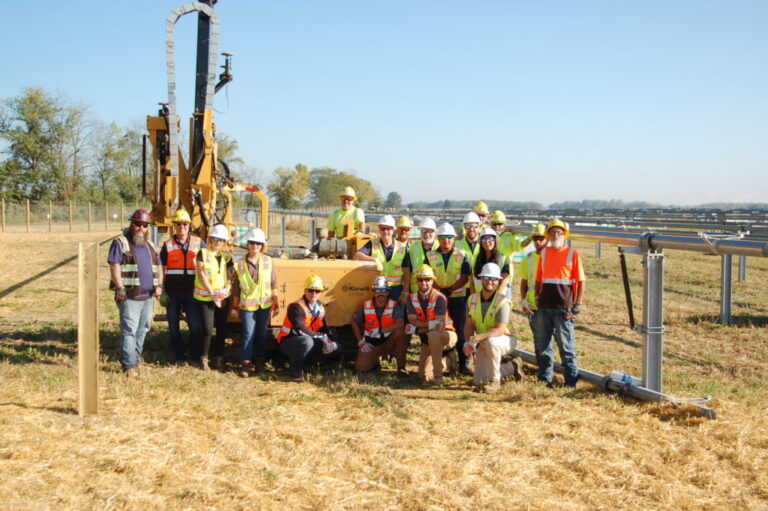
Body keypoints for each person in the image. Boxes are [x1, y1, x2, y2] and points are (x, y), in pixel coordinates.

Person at [107, 209, 162, 377]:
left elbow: (159, 266)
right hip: (130, 296)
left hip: (148, 296)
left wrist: (159, 285)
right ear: (132, 224)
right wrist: (120, 287)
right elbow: (114, 264)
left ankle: (136, 358)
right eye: (138, 224)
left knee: (143, 329)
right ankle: (129, 365)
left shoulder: (150, 245)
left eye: (145, 225)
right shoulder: (121, 243)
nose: (141, 228)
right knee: (129, 330)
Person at [534, 219, 586, 387]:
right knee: (543, 344)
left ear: (565, 236)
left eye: (559, 233)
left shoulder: (572, 253)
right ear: (548, 235)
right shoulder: (544, 253)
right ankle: (545, 378)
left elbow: (580, 281)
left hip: (564, 307)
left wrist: (577, 305)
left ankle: (571, 380)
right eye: (553, 233)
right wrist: (536, 297)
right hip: (544, 306)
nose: (556, 235)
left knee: (566, 345)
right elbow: (538, 278)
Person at [463, 263, 523, 393]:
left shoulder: (502, 302)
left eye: (494, 279)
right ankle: (512, 367)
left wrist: (476, 339)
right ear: (481, 278)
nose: (490, 281)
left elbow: (500, 330)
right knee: (478, 381)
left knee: (492, 341)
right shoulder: (472, 299)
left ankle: (495, 382)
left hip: (505, 339)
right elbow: (469, 324)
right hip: (484, 341)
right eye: (487, 278)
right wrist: (469, 342)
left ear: (498, 281)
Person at [159, 208, 204, 365]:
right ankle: (179, 356)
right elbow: (161, 268)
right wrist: (162, 289)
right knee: (173, 326)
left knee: (195, 326)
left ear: (189, 226)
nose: (181, 227)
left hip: (192, 292)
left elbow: (209, 261)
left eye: (184, 224)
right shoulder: (167, 245)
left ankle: (194, 356)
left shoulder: (198, 243)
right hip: (172, 292)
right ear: (174, 226)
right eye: (178, 224)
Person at [232, 228, 279, 377]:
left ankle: (259, 362)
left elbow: (274, 284)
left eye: (258, 243)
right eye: (252, 242)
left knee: (261, 334)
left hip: (264, 305)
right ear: (248, 244)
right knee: (248, 334)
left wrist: (276, 302)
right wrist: (234, 306)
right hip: (247, 306)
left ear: (262, 245)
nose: (255, 245)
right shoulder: (239, 263)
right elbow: (236, 288)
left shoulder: (268, 261)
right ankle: (246, 364)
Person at [428, 222, 473, 375]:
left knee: (460, 331)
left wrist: (450, 289)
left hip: (458, 299)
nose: (446, 240)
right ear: (438, 239)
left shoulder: (462, 255)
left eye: (449, 237)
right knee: (438, 327)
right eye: (442, 237)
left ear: (454, 238)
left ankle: (463, 364)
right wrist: (440, 291)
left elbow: (466, 277)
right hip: (438, 299)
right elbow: (428, 276)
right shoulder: (431, 256)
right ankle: (445, 363)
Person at [276, 274, 341, 380]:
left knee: (337, 347)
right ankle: (296, 369)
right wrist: (322, 337)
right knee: (307, 341)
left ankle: (309, 365)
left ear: (320, 293)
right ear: (305, 290)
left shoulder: (320, 307)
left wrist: (331, 342)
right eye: (311, 290)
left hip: (311, 339)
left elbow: (325, 328)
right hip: (290, 342)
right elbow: (300, 329)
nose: (314, 293)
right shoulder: (296, 307)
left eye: (317, 291)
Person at [193, 223, 234, 371]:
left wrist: (226, 290)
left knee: (221, 328)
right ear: (210, 239)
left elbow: (230, 276)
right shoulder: (202, 253)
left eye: (221, 240)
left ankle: (219, 358)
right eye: (215, 239)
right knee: (208, 329)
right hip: (206, 298)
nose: (218, 242)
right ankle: (204, 358)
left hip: (222, 297)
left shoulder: (227, 256)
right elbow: (201, 273)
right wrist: (212, 292)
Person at [407, 265, 457, 384]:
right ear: (416, 281)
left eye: (427, 279)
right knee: (422, 375)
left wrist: (418, 329)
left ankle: (438, 377)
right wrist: (425, 327)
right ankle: (446, 361)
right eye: (420, 279)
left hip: (447, 334)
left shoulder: (440, 298)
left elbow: (439, 324)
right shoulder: (411, 298)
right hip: (428, 337)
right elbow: (412, 320)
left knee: (434, 335)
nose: (423, 283)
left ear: (432, 281)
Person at [351, 276, 408, 376]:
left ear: (387, 292)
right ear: (374, 292)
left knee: (400, 332)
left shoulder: (393, 305)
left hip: (389, 342)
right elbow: (354, 322)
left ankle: (401, 367)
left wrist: (382, 331)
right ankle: (376, 362)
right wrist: (360, 341)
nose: (381, 293)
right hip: (372, 344)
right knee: (361, 369)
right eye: (378, 291)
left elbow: (400, 323)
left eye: (383, 290)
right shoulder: (365, 305)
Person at [354, 215, 411, 304]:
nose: (385, 231)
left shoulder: (402, 247)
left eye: (388, 229)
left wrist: (405, 292)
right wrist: (373, 259)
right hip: (378, 289)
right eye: (383, 229)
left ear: (393, 229)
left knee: (395, 315)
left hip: (395, 289)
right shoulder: (372, 243)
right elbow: (357, 255)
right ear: (379, 229)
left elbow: (406, 271)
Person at [519, 224, 547, 350]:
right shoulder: (528, 258)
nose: (538, 242)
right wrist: (523, 300)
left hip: (548, 304)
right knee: (537, 338)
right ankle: (541, 365)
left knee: (547, 338)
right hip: (532, 305)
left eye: (541, 238)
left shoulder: (551, 257)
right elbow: (524, 281)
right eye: (535, 239)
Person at [469, 228, 510, 295]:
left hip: (497, 298)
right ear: (481, 242)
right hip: (479, 298)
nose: (487, 242)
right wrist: (474, 297)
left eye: (490, 239)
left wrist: (495, 299)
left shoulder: (503, 258)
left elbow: (503, 281)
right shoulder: (476, 258)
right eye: (484, 239)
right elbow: (472, 282)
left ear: (495, 241)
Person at [407, 217, 438, 293]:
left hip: (436, 291)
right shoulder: (413, 247)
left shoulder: (440, 247)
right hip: (416, 291)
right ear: (420, 232)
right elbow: (407, 271)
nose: (427, 234)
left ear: (435, 232)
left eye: (430, 231)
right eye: (424, 231)